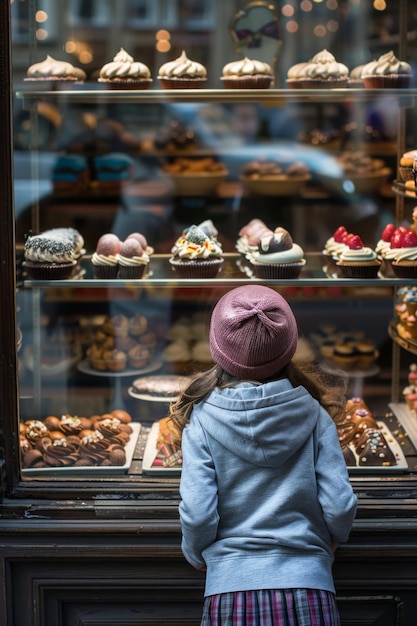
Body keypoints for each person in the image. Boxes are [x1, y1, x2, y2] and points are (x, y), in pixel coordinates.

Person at [171, 285, 357, 626]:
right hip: (309, 584)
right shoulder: (316, 416)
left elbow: (198, 514)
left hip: (229, 588)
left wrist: (195, 552)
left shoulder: (201, 422)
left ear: (217, 348)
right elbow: (340, 505)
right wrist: (332, 541)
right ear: (289, 348)